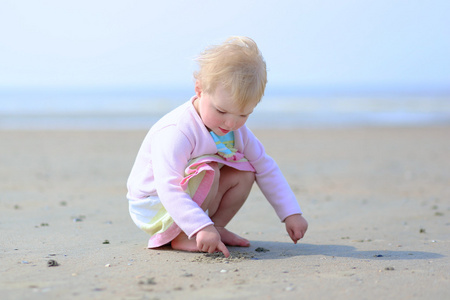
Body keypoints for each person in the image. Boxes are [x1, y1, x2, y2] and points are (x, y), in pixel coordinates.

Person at [127, 36, 308, 258]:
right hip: (154, 204)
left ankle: (217, 227)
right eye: (221, 111)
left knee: (246, 171)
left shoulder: (235, 130)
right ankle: (186, 233)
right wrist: (199, 227)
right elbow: (168, 186)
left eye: (243, 114)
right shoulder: (177, 131)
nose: (231, 124)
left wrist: (291, 213)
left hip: (187, 194)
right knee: (209, 169)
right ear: (200, 90)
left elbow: (265, 166)